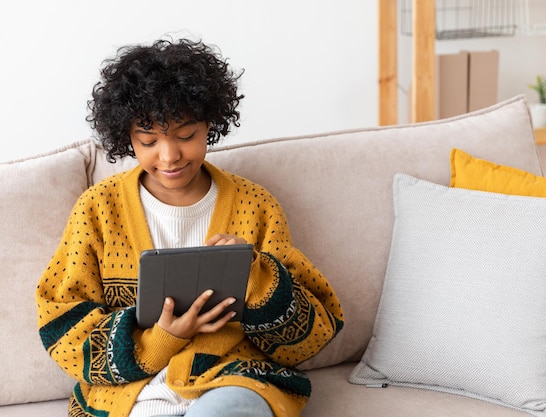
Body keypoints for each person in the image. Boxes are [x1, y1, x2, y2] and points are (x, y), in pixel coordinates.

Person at [35, 38, 344, 417]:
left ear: (209, 125)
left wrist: (255, 273)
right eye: (148, 141)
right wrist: (161, 341)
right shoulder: (98, 210)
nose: (169, 156)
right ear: (126, 137)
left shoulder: (255, 206)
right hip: (134, 393)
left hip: (232, 380)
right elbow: (61, 324)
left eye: (185, 136)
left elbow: (309, 337)